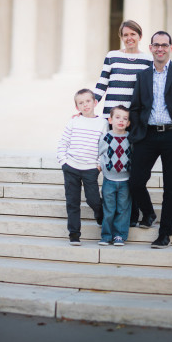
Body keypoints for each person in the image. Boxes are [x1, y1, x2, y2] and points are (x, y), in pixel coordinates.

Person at [128, 31, 172, 249]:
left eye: (164, 45)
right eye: (156, 45)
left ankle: (165, 234)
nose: (160, 48)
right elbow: (136, 106)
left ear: (171, 48)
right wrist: (137, 132)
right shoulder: (142, 76)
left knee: (171, 187)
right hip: (146, 135)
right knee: (135, 181)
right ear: (150, 48)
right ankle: (148, 213)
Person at [93, 19, 152, 226]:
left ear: (139, 36)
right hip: (111, 120)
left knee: (130, 167)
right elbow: (102, 83)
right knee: (109, 164)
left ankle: (132, 214)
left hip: (132, 122)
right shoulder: (112, 56)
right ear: (121, 37)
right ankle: (105, 211)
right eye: (125, 35)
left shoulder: (147, 60)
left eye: (133, 34)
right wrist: (89, 106)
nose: (129, 38)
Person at [56, 88, 108, 246]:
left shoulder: (103, 123)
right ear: (77, 107)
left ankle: (100, 216)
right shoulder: (74, 121)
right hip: (71, 167)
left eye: (88, 101)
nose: (85, 105)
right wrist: (63, 161)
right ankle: (74, 234)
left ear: (95, 102)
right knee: (72, 202)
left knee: (93, 200)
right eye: (81, 103)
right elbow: (63, 143)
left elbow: (105, 147)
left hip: (90, 169)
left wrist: (98, 166)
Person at [97, 105, 132, 247]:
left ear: (128, 123)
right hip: (109, 180)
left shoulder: (130, 138)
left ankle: (119, 235)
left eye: (125, 118)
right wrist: (102, 168)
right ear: (110, 120)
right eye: (117, 117)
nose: (121, 121)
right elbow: (100, 154)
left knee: (123, 209)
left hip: (125, 180)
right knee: (109, 209)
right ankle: (106, 236)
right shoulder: (106, 137)